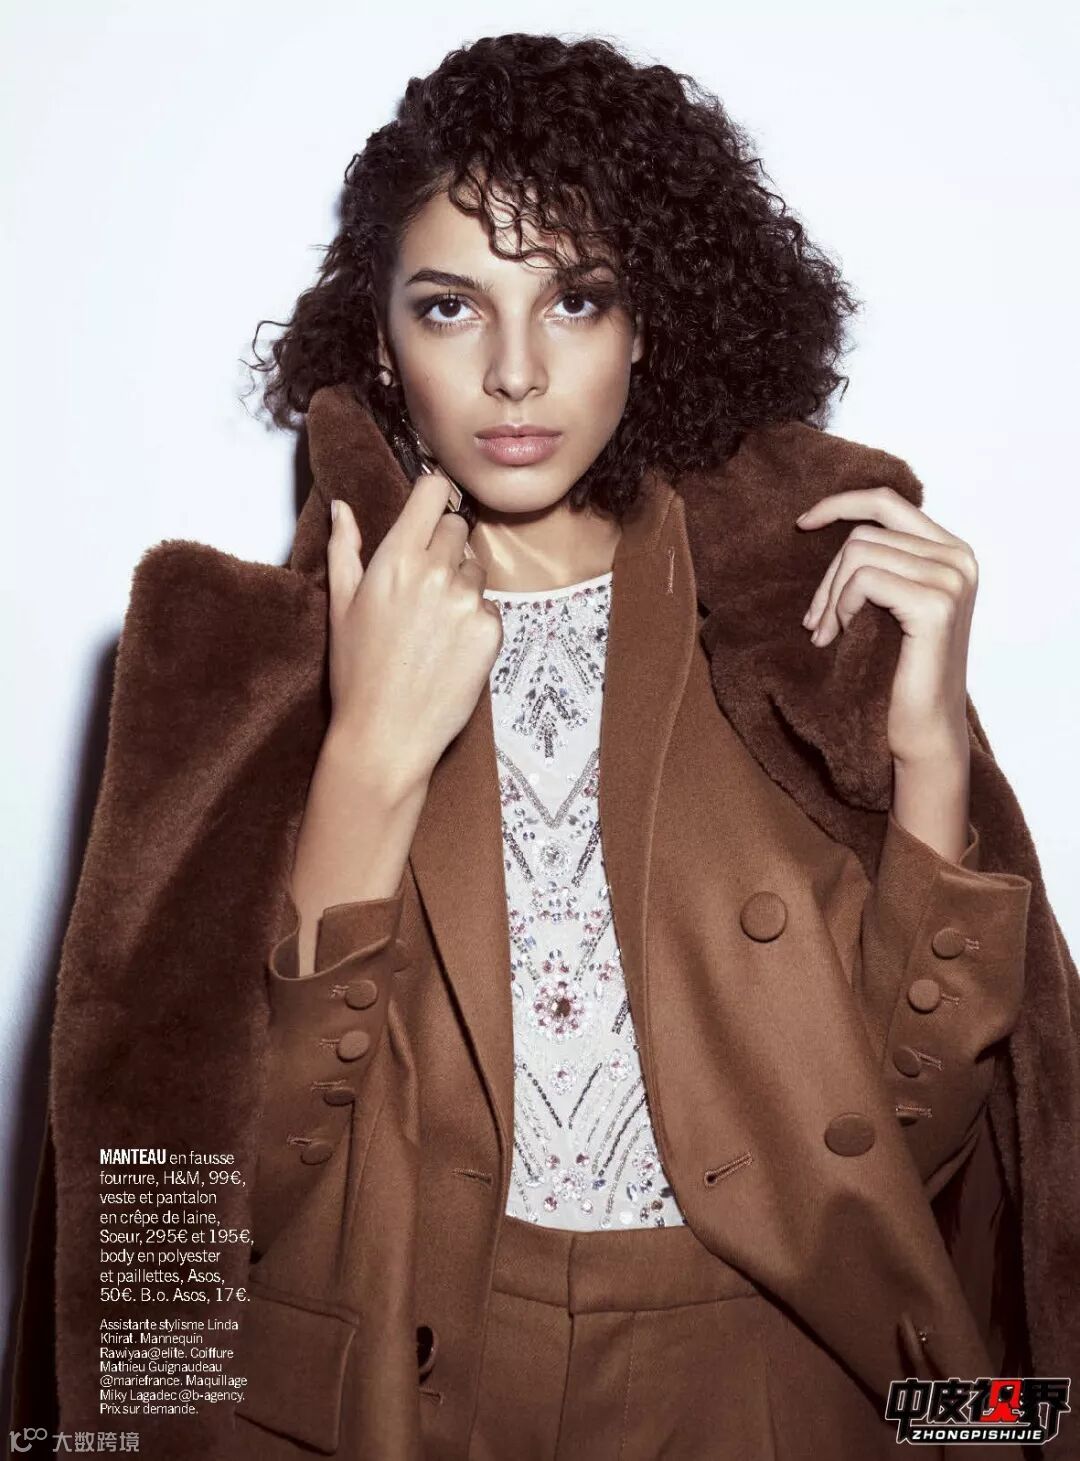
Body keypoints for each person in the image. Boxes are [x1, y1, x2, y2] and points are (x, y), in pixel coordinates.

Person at [12, 29, 1076, 1461]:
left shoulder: (798, 634)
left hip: (767, 1383)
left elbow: (909, 1147)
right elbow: (198, 1215)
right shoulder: (237, 671)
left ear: (650, 326)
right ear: (380, 343)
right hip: (413, 1393)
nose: (515, 371)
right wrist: (369, 761)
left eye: (576, 298)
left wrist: (931, 750)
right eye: (452, 307)